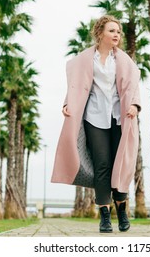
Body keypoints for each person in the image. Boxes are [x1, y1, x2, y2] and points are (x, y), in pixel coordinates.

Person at [51, 15, 141, 233]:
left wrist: (135, 106)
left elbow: (133, 85)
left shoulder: (124, 60)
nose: (117, 35)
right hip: (94, 117)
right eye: (112, 31)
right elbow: (75, 85)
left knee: (120, 164)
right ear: (100, 33)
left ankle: (121, 208)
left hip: (120, 117)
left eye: (118, 32)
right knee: (102, 165)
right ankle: (104, 216)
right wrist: (66, 103)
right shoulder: (84, 59)